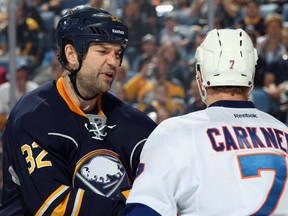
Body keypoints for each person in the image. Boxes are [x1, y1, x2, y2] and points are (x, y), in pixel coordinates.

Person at [0, 5, 157, 215]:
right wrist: (130, 208)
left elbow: (162, 191)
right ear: (71, 54)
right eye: (102, 51)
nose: (114, 62)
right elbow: (53, 206)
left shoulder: (136, 125)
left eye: (117, 53)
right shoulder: (33, 116)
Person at [124, 28, 288, 215]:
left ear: (200, 75)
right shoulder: (283, 130)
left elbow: (144, 211)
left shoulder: (175, 133)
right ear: (251, 75)